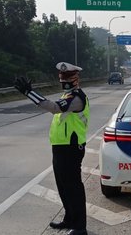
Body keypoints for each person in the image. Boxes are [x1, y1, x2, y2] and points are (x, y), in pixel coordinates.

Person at [14, 62, 89, 235]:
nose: (64, 80)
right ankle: (69, 219)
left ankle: (79, 226)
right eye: (62, 77)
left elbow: (54, 108)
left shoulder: (76, 97)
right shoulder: (67, 95)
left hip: (72, 147)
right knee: (63, 186)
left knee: (73, 187)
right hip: (60, 147)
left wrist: (29, 93)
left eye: (68, 77)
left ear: (76, 79)